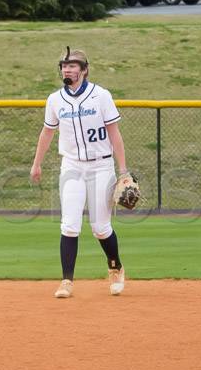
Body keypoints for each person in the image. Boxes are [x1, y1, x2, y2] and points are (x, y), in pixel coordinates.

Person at [29, 48, 131, 299]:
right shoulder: (55, 100)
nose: (67, 69)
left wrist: (123, 170)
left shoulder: (101, 96)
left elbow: (114, 133)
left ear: (84, 70)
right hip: (72, 166)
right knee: (70, 225)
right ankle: (67, 281)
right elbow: (47, 133)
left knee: (100, 227)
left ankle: (116, 267)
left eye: (73, 65)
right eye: (64, 65)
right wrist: (37, 163)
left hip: (101, 165)